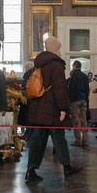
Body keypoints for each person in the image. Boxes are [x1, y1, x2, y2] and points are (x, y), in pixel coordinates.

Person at [22, 35, 78, 183]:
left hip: (39, 108)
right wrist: (63, 108)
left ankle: (30, 170)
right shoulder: (56, 64)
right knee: (59, 138)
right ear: (55, 49)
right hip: (52, 109)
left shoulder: (39, 63)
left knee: (37, 140)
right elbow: (60, 89)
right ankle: (67, 167)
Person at [67, 59, 91, 147]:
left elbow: (71, 89)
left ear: (74, 66)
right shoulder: (85, 76)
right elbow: (87, 89)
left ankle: (78, 141)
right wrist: (86, 99)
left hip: (75, 101)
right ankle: (85, 140)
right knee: (84, 120)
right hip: (83, 100)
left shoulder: (73, 76)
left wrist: (70, 100)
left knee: (76, 121)